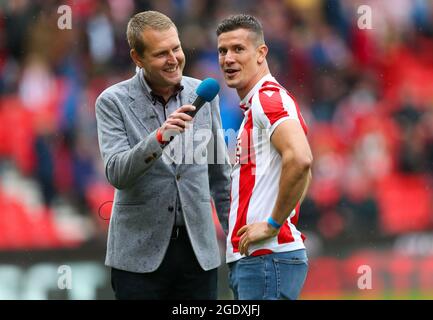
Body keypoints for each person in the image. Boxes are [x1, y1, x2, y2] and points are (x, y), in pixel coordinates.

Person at [95, 11, 231, 300]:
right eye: (161, 53)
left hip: (199, 256)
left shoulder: (204, 94)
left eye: (176, 48)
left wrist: (235, 239)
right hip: (138, 260)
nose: (173, 59)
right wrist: (160, 138)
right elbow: (117, 173)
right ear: (137, 58)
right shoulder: (112, 101)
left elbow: (221, 177)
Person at [216, 14, 313, 300]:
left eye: (238, 49)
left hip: (267, 258)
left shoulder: (266, 99)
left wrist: (273, 224)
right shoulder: (256, 105)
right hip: (259, 260)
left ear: (261, 53)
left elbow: (301, 160)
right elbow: (303, 169)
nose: (228, 59)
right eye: (222, 51)